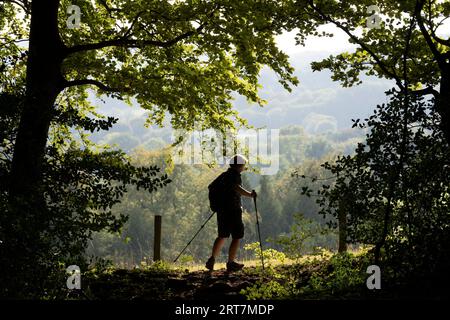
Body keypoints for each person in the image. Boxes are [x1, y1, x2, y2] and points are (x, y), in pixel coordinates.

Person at [205, 154, 257, 272]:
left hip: (222, 210)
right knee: (237, 235)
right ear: (239, 165)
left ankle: (212, 260)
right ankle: (231, 263)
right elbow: (236, 188)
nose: (244, 167)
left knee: (222, 235)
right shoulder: (235, 176)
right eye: (243, 165)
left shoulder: (224, 176)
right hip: (233, 210)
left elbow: (211, 187)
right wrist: (250, 195)